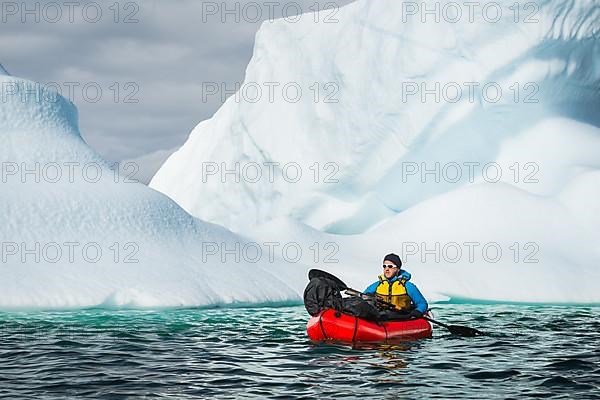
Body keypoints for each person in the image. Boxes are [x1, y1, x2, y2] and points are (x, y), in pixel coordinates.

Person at [364, 253, 428, 318]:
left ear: (398, 269)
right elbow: (363, 297)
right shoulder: (377, 285)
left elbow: (422, 304)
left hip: (401, 317)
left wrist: (418, 311)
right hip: (381, 316)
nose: (386, 269)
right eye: (384, 266)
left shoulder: (408, 286)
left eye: (390, 266)